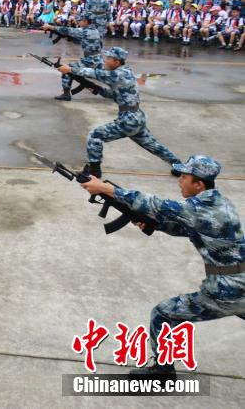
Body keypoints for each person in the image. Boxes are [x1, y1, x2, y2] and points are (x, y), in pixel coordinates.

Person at [81, 156, 245, 381]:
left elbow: (154, 204)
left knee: (162, 314)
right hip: (240, 282)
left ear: (199, 184)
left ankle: (162, 371)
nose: (179, 180)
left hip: (228, 291)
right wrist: (154, 226)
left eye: (185, 177)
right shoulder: (219, 202)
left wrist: (106, 189)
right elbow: (188, 228)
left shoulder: (198, 208)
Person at [59, 47, 180, 177]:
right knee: (152, 145)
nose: (105, 61)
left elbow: (96, 73)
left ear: (117, 62)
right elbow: (116, 94)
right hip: (136, 117)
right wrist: (97, 89)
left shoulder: (118, 74)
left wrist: (71, 69)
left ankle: (94, 170)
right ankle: (178, 165)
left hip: (128, 119)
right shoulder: (125, 72)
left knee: (95, 136)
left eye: (108, 59)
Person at [43, 15, 102, 101]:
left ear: (86, 22)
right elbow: (80, 40)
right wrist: (69, 37)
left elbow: (67, 30)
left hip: (90, 60)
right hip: (98, 59)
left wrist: (50, 27)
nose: (78, 22)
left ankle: (66, 94)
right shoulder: (95, 31)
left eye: (80, 20)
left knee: (65, 69)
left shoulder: (85, 31)